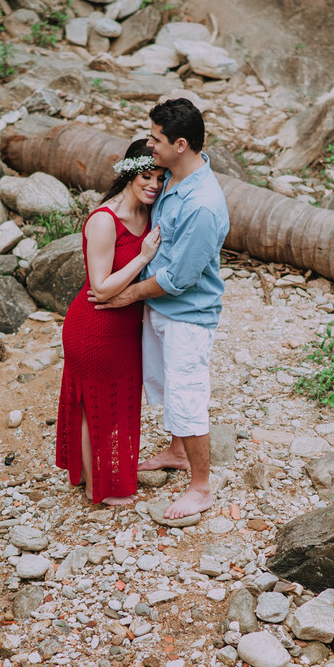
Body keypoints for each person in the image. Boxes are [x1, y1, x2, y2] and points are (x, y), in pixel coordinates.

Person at [91, 97, 230, 519]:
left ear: (181, 144)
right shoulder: (171, 174)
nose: (149, 145)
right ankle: (177, 451)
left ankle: (201, 487)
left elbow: (179, 279)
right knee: (167, 384)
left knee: (188, 394)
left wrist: (128, 294)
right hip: (164, 310)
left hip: (187, 314)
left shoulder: (202, 204)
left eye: (155, 139)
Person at [56, 139, 164, 506]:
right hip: (94, 327)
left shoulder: (149, 213)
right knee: (94, 405)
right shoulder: (105, 220)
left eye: (159, 178)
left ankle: (97, 477)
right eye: (146, 176)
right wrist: (143, 256)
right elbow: (101, 288)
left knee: (115, 405)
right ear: (129, 174)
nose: (153, 184)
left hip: (124, 330)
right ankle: (94, 488)